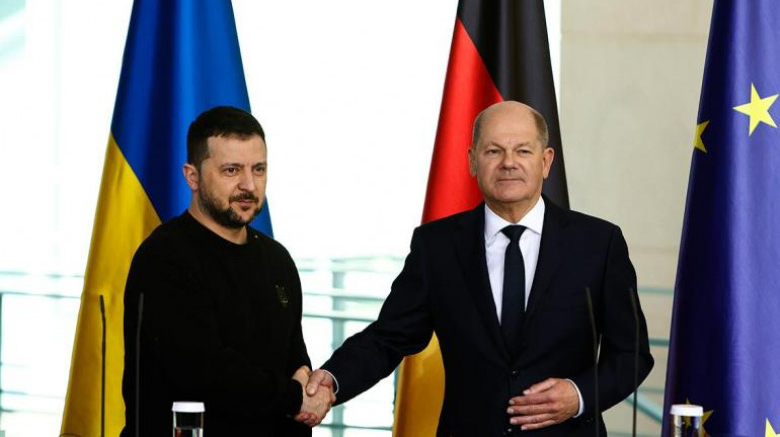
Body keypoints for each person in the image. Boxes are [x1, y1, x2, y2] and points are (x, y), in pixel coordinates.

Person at [306, 101, 654, 436]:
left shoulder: (598, 243)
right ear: (473, 161)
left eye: (522, 150)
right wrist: (332, 379)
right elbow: (388, 338)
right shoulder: (437, 246)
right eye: (493, 151)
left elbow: (631, 354)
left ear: (546, 161)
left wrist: (579, 396)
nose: (508, 163)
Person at [121, 106, 332, 436]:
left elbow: (295, 362)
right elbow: (204, 372)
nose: (248, 185)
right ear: (192, 176)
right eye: (231, 170)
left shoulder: (277, 260)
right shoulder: (164, 257)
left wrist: (309, 389)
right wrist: (293, 397)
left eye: (258, 169)